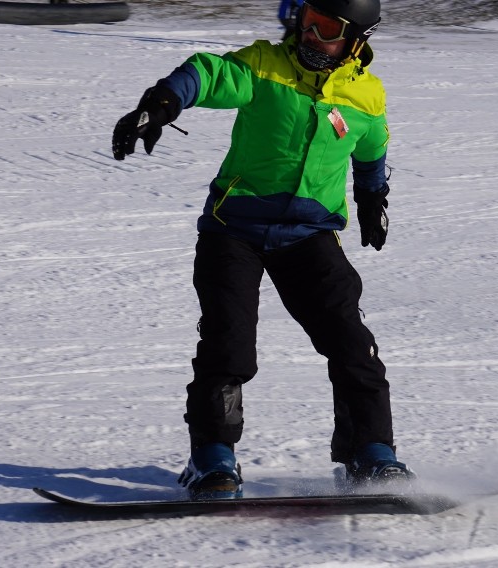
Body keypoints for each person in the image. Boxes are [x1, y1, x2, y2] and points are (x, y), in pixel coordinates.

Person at [112, 0, 414, 500]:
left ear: (357, 39)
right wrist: (162, 102)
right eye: (307, 20)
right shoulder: (265, 65)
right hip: (234, 229)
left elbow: (372, 146)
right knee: (228, 346)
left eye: (327, 28)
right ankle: (211, 458)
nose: (311, 35)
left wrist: (373, 198)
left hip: (309, 236)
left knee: (352, 345)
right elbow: (208, 73)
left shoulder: (366, 95)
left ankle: (372, 454)